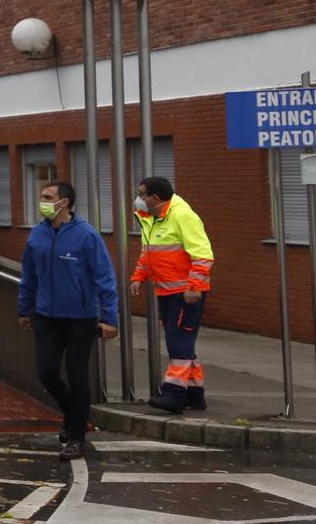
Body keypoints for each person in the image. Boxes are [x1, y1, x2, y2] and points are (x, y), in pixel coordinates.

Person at [17, 180, 118, 461]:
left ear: (65, 203)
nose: (42, 201)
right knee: (46, 373)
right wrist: (24, 310)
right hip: (46, 316)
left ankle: (76, 437)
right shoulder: (37, 234)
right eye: (42, 196)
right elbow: (29, 276)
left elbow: (104, 277)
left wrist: (110, 317)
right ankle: (74, 416)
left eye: (48, 197)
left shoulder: (86, 236)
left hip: (80, 318)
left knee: (77, 377)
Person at [130, 175, 214, 414]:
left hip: (185, 293)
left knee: (178, 341)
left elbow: (202, 254)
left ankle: (174, 394)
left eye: (142, 194)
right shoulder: (152, 218)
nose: (138, 198)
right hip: (167, 291)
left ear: (155, 198)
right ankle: (194, 394)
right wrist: (139, 276)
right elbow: (149, 252)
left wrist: (194, 286)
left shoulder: (182, 216)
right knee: (181, 341)